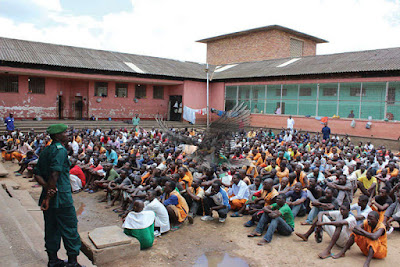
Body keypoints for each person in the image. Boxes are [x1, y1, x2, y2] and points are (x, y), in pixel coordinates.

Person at [33, 124, 82, 267]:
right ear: (56, 136)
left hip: (49, 195)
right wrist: (49, 196)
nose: (67, 134)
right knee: (70, 228)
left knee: (51, 228)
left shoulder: (46, 150)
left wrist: (47, 189)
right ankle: (72, 262)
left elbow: (37, 174)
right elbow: (55, 174)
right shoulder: (60, 151)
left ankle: (53, 260)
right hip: (61, 199)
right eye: (64, 132)